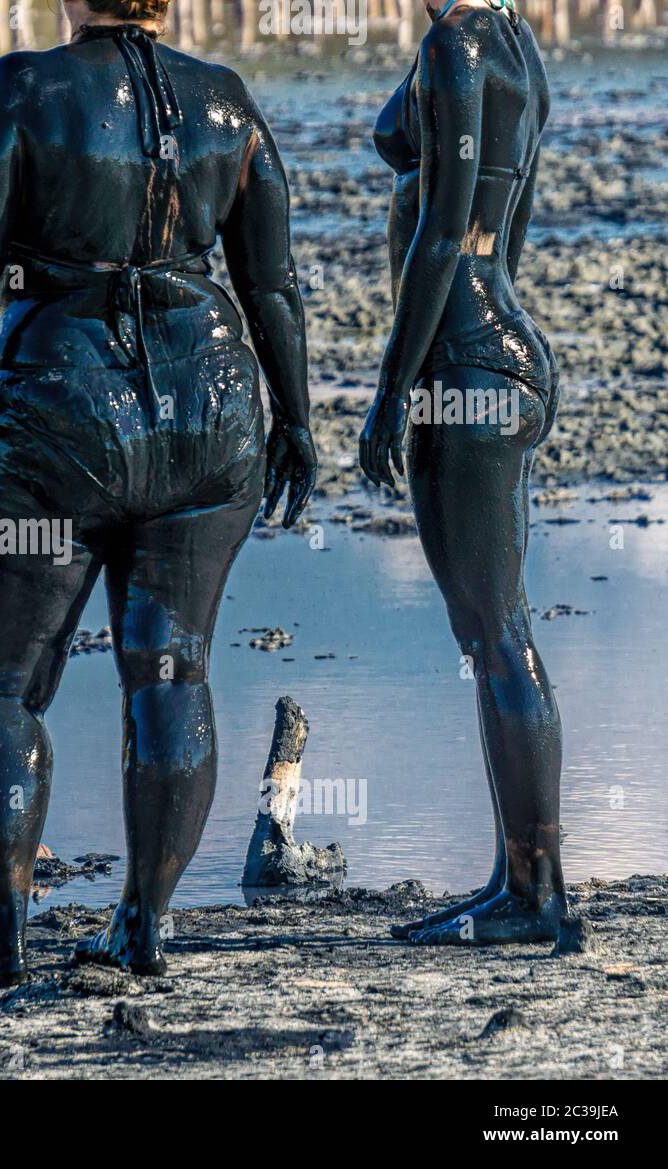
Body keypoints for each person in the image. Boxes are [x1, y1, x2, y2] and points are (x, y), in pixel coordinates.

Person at [0, 0, 316, 987]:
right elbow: (274, 283)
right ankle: (146, 925)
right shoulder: (225, 102)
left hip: (56, 424)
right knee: (172, 675)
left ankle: (0, 935)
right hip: (210, 420)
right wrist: (293, 419)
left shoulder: (23, 89)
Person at [363, 0, 566, 943]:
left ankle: (535, 896)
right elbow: (504, 223)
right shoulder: (516, 43)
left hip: (471, 361)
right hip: (508, 341)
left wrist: (392, 388)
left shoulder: (457, 43)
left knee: (493, 632)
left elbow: (442, 237)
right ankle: (520, 880)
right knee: (499, 625)